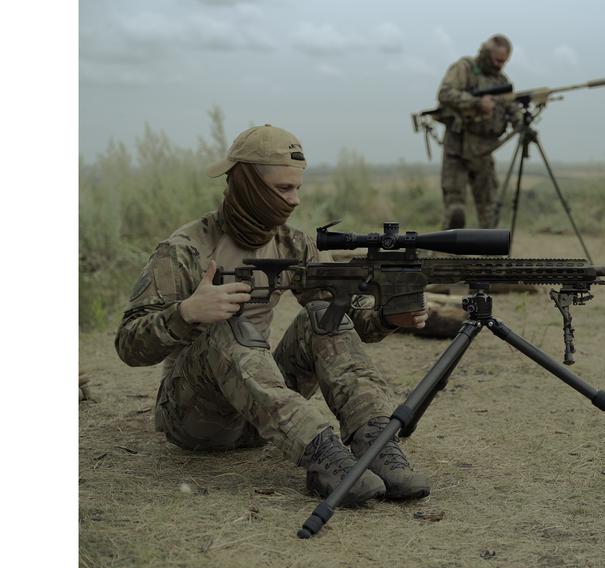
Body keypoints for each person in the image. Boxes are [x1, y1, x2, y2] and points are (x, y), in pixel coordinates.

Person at [115, 124, 430, 506]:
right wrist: (187, 313)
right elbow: (129, 344)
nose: (295, 200)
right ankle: (324, 456)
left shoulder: (293, 244)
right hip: (197, 417)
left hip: (265, 418)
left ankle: (377, 443)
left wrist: (385, 318)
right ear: (249, 185)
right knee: (226, 326)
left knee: (322, 315)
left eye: (297, 188)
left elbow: (344, 323)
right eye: (283, 189)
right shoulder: (185, 248)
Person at [437, 34, 519, 230]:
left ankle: (489, 256)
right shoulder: (464, 68)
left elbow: (512, 107)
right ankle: (446, 257)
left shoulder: (501, 81)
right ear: (486, 53)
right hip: (457, 149)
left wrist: (520, 119)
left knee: (490, 211)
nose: (500, 65)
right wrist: (476, 103)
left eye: (504, 61)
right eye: (497, 60)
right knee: (455, 211)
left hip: (483, 153)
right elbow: (445, 93)